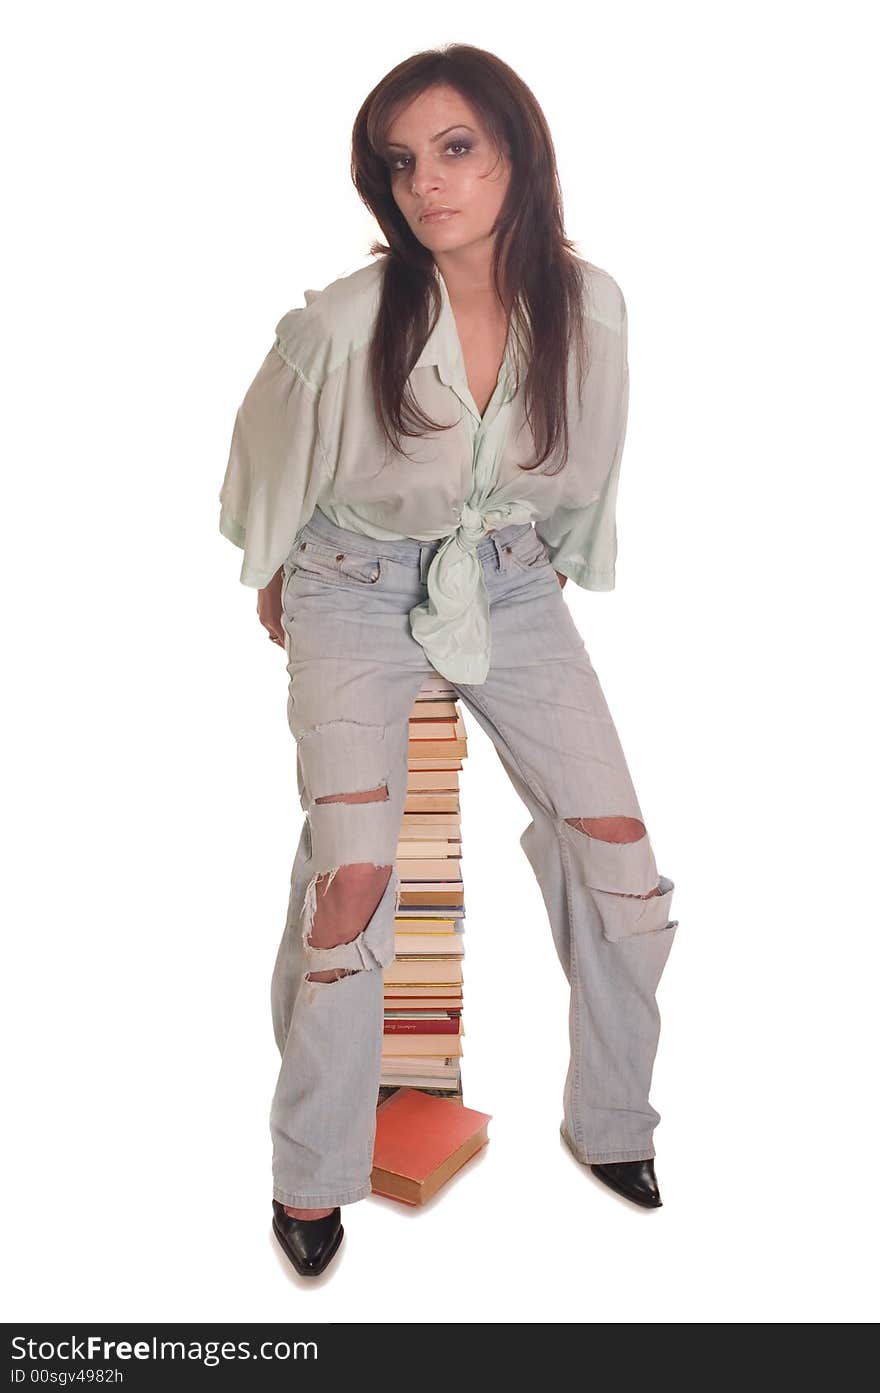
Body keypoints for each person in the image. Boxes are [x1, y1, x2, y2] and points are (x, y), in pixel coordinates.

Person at [219, 44, 678, 1278]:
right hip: (353, 589)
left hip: (512, 583)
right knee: (354, 888)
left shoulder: (593, 307)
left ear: (518, 148)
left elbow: (597, 455)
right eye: (401, 161)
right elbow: (264, 466)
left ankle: (612, 1125)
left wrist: (561, 564)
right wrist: (278, 577)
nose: (426, 181)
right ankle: (310, 1174)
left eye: (455, 147)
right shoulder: (342, 321)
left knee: (624, 873)